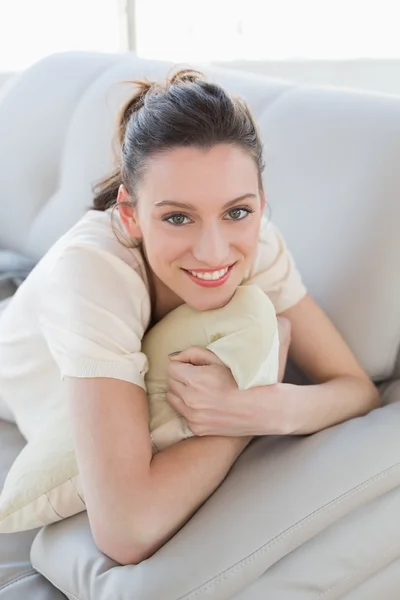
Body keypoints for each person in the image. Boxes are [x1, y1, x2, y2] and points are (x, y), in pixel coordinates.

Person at [0, 69, 379, 565]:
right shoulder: (94, 271)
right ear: (131, 214)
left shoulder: (257, 245)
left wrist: (264, 406)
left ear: (261, 204)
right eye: (178, 217)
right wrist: (233, 426)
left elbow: (357, 388)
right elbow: (126, 531)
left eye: (237, 211)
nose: (213, 251)